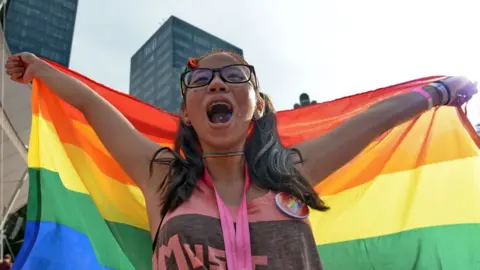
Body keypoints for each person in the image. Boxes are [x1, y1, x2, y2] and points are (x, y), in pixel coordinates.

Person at [5, 51, 477, 269]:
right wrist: (43, 71)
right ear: (186, 115)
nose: (216, 83)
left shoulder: (291, 172)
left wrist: (438, 92)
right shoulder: (161, 176)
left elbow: (371, 123)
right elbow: (92, 108)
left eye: (233, 75)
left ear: (257, 103)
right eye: (202, 80)